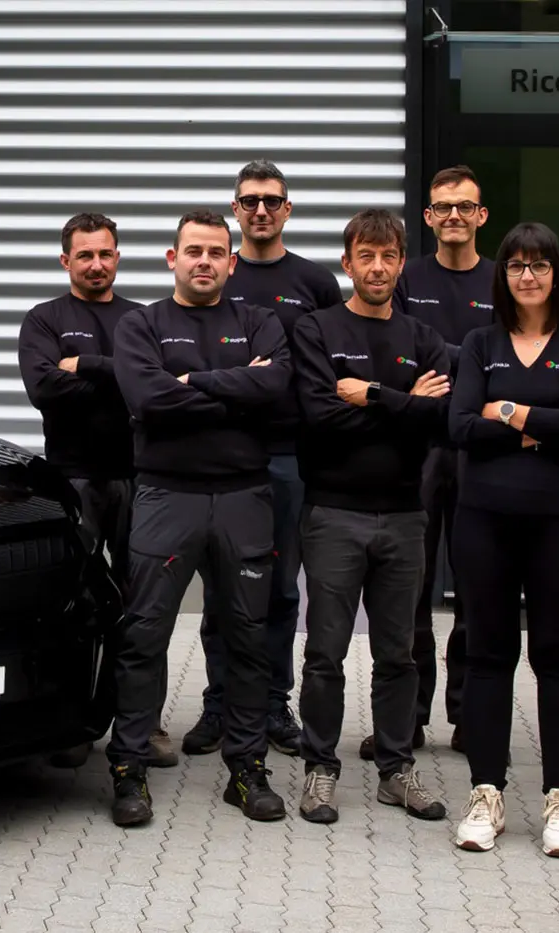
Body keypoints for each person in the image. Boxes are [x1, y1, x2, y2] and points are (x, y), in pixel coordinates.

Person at [107, 209, 292, 826]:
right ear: (172, 258)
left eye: (217, 251)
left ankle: (246, 769)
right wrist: (234, 388)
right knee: (143, 634)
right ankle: (129, 769)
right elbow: (147, 398)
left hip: (244, 499)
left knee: (247, 638)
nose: (205, 261)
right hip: (166, 497)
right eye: (194, 251)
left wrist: (191, 381)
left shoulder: (259, 321)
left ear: (232, 261)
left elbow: (276, 389)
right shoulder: (141, 325)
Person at [448, 222, 559, 858]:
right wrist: (546, 422)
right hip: (483, 521)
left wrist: (506, 411)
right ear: (503, 275)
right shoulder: (479, 344)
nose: (528, 275)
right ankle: (487, 796)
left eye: (540, 264)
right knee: (487, 657)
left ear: (557, 273)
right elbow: (460, 424)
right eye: (516, 265)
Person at [291, 208, 451, 824]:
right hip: (333, 512)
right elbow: (318, 417)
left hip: (406, 515)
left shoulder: (423, 337)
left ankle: (395, 769)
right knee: (325, 652)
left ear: (401, 263)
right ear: (349, 262)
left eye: (388, 257)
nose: (378, 267)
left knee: (400, 652)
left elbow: (441, 419)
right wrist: (408, 406)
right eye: (367, 256)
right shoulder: (316, 329)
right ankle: (320, 769)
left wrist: (373, 395)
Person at [184, 159, 343, 760]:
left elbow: (332, 367)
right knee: (223, 588)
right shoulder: (215, 276)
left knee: (278, 589)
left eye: (271, 200)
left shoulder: (315, 283)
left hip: (288, 458)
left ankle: (274, 704)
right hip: (219, 456)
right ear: (235, 208)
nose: (259, 210)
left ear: (288, 209)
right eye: (248, 200)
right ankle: (219, 703)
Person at [17, 212, 177, 771]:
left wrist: (86, 364)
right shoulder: (43, 319)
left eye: (105, 253)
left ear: (118, 256)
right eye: (84, 255)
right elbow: (44, 388)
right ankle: (72, 723)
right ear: (66, 260)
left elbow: (153, 385)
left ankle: (143, 722)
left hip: (141, 478)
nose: (96, 264)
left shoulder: (142, 317)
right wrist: (122, 377)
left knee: (144, 607)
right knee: (75, 605)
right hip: (73, 479)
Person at [361, 164, 496, 761]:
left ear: (481, 215)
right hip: (415, 452)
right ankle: (407, 720)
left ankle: (470, 718)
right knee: (407, 592)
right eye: (443, 208)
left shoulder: (501, 281)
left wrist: (446, 368)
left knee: (477, 589)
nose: (454, 218)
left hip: (482, 453)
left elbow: (505, 362)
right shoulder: (405, 278)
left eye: (465, 207)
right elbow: (391, 357)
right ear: (428, 217)